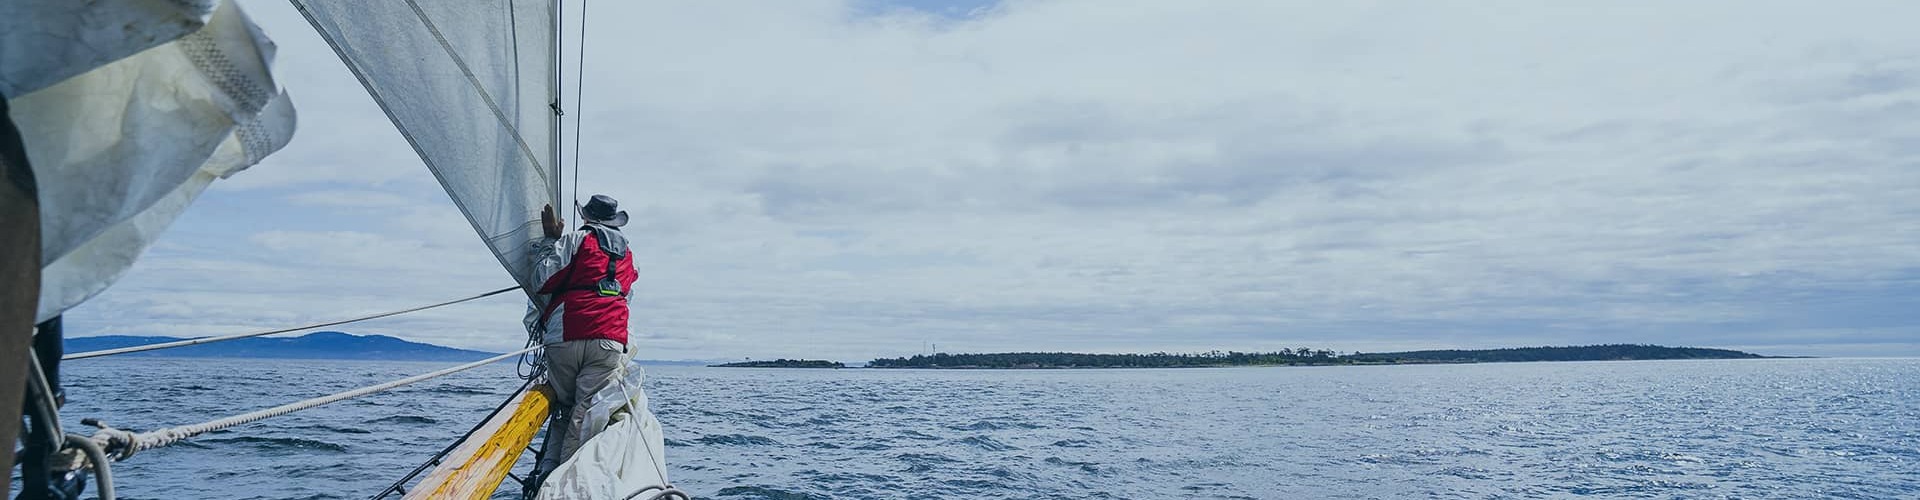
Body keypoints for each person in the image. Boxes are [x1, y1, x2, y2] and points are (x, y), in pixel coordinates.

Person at [524, 194, 638, 476]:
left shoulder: (574, 240)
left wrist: (550, 242)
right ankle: (564, 482)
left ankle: (548, 475)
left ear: (586, 218)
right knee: (585, 412)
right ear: (615, 223)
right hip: (610, 341)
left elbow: (541, 280)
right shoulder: (629, 255)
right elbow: (627, 295)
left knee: (564, 408)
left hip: (566, 335)